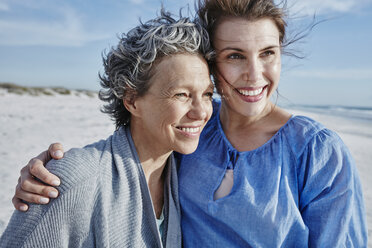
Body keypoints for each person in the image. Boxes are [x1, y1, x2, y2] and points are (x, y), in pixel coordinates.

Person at [10, 0, 368, 247]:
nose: (254, 74)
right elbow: (130, 147)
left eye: (268, 53)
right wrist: (57, 172)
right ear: (212, 63)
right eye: (234, 56)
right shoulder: (192, 134)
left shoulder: (317, 152)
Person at [0, 10, 214, 247]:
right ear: (132, 100)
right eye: (181, 94)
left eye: (207, 94)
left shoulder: (186, 168)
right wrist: (62, 172)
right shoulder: (70, 180)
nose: (202, 111)